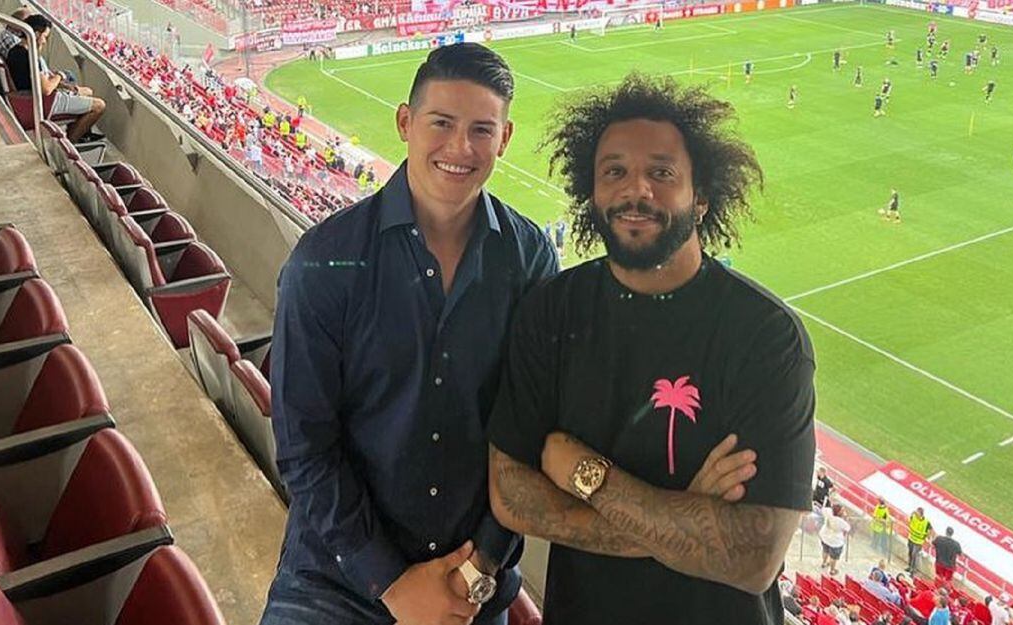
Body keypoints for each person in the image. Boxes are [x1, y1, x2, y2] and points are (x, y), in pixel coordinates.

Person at [487, 73, 815, 625]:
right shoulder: (551, 311)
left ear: (702, 196)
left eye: (661, 173)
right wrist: (684, 519)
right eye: (614, 172)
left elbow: (753, 557)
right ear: (591, 192)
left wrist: (587, 475)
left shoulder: (767, 336)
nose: (635, 190)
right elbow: (510, 495)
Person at [260, 43, 561, 625]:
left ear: (505, 138)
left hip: (474, 583)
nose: (460, 148)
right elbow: (305, 449)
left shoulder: (529, 262)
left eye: (481, 130)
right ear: (405, 122)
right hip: (334, 583)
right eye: (441, 124)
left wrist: (475, 573)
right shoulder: (323, 262)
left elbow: (530, 432)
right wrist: (393, 585)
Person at [6, 15, 105, 142]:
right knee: (99, 105)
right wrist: (60, 76)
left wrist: (65, 86)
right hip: (44, 101)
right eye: (45, 37)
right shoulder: (31, 56)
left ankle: (80, 133)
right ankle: (69, 143)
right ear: (36, 34)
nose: (45, 42)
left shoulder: (14, 51)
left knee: (87, 92)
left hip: (30, 97)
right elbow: (46, 89)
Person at [820, 505, 850, 575]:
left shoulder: (829, 514)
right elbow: (847, 528)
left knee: (825, 551)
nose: (844, 512)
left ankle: (824, 563)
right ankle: (832, 570)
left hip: (825, 536)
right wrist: (845, 518)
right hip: (835, 541)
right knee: (834, 557)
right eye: (842, 510)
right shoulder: (841, 522)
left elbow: (825, 509)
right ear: (839, 512)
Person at [907, 507, 934, 574]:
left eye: (917, 513)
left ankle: (913, 569)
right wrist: (912, 514)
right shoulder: (914, 517)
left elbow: (931, 530)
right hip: (911, 538)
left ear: (921, 514)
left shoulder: (926, 522)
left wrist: (928, 537)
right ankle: (909, 566)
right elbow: (909, 520)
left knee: (914, 554)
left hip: (918, 542)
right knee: (910, 553)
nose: (916, 514)